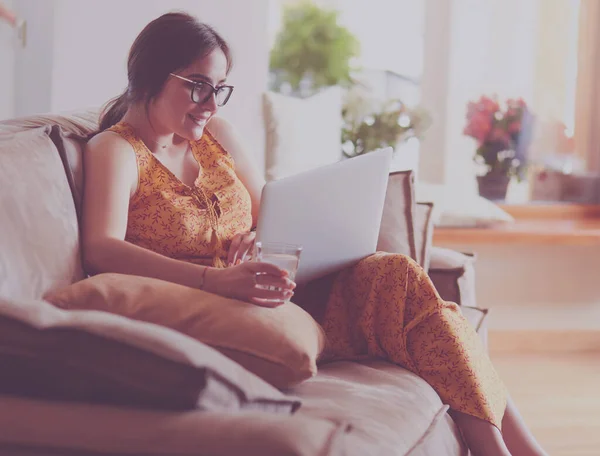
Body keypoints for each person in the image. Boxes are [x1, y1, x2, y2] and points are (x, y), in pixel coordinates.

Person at [83, 12, 547, 456]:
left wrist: (256, 237)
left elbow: (268, 211)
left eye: (219, 90)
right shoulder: (117, 150)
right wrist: (214, 281)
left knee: (398, 276)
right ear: (150, 76)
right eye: (198, 87)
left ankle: (509, 449)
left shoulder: (217, 134)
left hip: (278, 287)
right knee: (423, 307)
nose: (209, 105)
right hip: (223, 306)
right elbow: (102, 249)